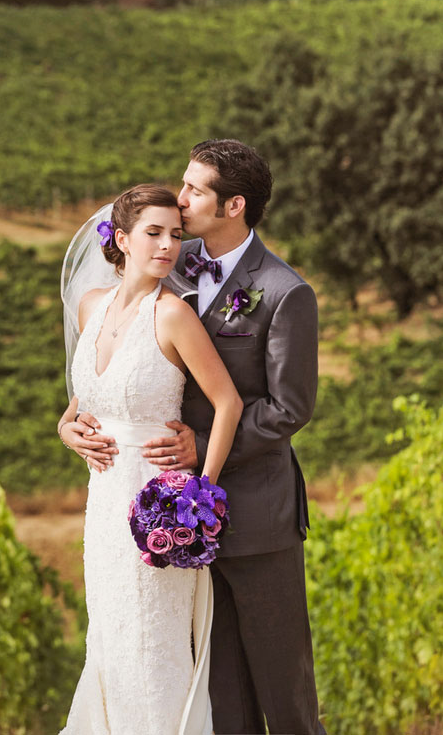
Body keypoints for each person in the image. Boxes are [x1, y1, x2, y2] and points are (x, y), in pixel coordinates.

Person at [68, 140, 326, 735]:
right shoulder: (169, 262)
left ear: (234, 204)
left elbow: (290, 407)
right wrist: (75, 422)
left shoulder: (286, 292)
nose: (180, 202)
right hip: (167, 517)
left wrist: (201, 449)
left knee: (283, 689)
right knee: (216, 690)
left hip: (257, 513)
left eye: (195, 190)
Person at [58, 183, 243, 735]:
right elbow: (83, 402)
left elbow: (228, 402)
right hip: (104, 506)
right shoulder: (89, 306)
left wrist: (199, 495)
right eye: (154, 233)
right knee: (110, 639)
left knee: (152, 646)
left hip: (157, 507)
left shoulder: (173, 315)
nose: (168, 246)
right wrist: (66, 430)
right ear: (121, 239)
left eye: (175, 235)